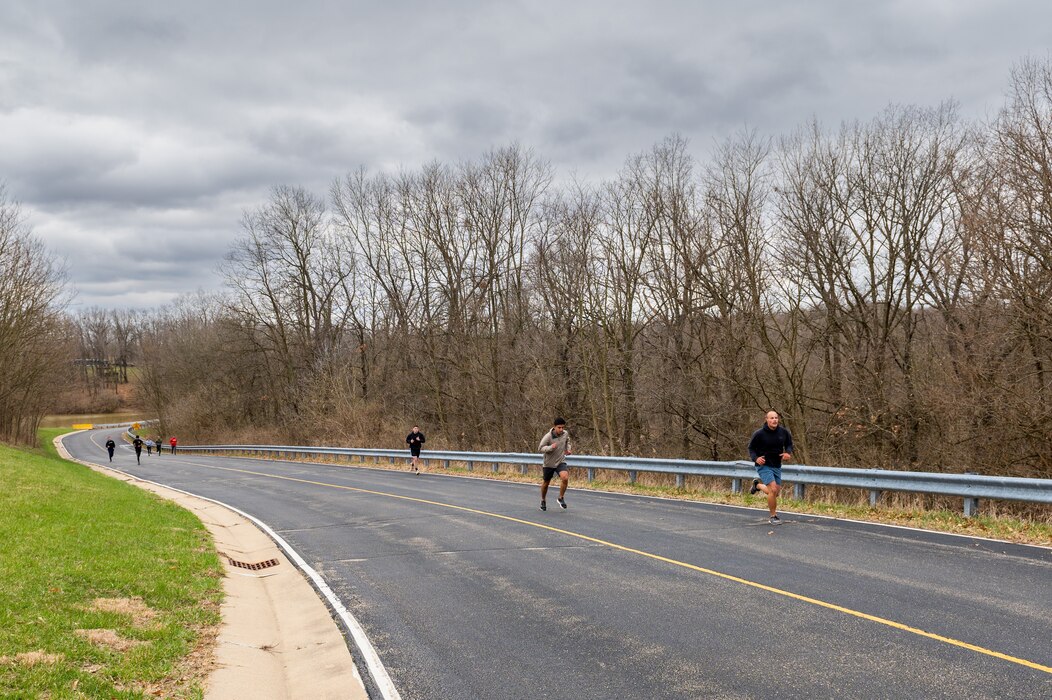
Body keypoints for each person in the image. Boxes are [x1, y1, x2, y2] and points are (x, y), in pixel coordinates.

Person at [747, 410, 794, 525]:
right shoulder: (759, 434)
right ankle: (773, 516)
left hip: (776, 465)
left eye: (776, 418)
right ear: (766, 419)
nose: (774, 420)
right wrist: (756, 458)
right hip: (763, 465)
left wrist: (788, 452)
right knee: (772, 489)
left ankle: (757, 485)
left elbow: (789, 444)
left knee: (775, 492)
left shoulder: (783, 432)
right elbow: (751, 448)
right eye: (772, 418)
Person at [538, 417, 571, 511]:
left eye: (562, 427)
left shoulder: (565, 434)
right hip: (549, 463)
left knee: (565, 477)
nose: (561, 429)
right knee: (546, 483)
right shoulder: (548, 436)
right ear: (554, 427)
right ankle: (543, 500)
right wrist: (550, 447)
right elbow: (540, 448)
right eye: (559, 427)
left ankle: (561, 498)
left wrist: (568, 449)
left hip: (560, 461)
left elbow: (568, 441)